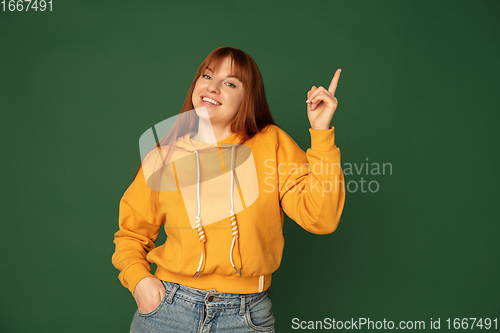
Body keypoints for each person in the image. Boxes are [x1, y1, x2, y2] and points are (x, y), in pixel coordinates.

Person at [112, 46, 345, 332]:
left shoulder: (272, 144)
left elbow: (320, 218)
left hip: (245, 317)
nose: (213, 87)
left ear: (247, 98)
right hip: (167, 310)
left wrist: (321, 134)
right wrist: (139, 281)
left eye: (230, 82)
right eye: (207, 76)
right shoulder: (164, 155)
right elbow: (131, 234)